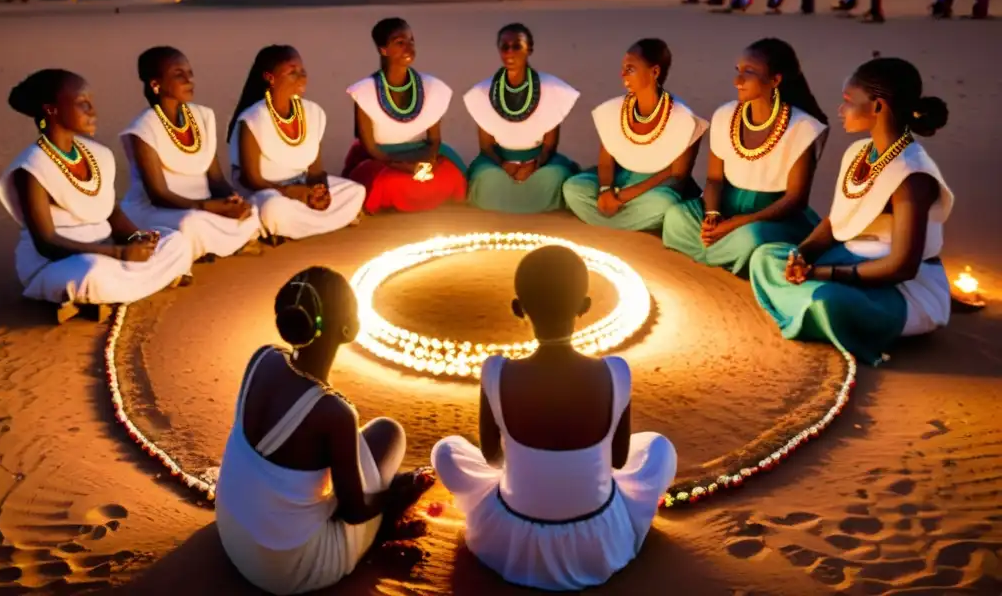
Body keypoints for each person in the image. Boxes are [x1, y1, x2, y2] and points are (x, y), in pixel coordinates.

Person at [432, 246, 677, 591]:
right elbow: (619, 461)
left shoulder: (496, 371)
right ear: (585, 306)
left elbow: (491, 458)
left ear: (519, 309)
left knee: (446, 451)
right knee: (658, 449)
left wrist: (531, 465)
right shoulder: (615, 372)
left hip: (514, 529)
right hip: (597, 536)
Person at [215, 266, 434, 594]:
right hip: (286, 569)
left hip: (234, 533)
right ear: (350, 329)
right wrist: (394, 496)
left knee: (355, 449)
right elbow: (354, 511)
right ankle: (382, 522)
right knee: (389, 434)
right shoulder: (333, 413)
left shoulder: (262, 358)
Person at [750, 57, 952, 366]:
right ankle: (809, 308)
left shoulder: (913, 176)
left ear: (877, 107)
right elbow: (836, 221)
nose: (840, 110)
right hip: (847, 260)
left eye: (848, 101)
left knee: (828, 302)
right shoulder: (858, 153)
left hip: (899, 288)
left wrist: (821, 274)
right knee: (765, 258)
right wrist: (802, 256)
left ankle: (816, 310)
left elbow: (902, 267)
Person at [0, 69, 193, 322]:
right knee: (93, 273)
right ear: (51, 110)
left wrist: (137, 238)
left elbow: (111, 212)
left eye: (91, 102)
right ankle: (123, 285)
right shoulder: (31, 168)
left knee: (177, 242)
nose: (93, 111)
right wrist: (120, 254)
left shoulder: (98, 154)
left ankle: (117, 289)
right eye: (82, 103)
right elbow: (47, 244)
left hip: (108, 250)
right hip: (59, 263)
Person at [662, 38, 829, 276]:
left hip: (771, 219)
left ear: (775, 80)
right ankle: (721, 251)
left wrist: (736, 224)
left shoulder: (803, 128)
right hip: (723, 210)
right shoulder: (724, 115)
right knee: (676, 217)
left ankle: (721, 252)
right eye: (738, 71)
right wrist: (712, 214)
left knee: (751, 238)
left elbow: (795, 200)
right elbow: (714, 179)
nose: (737, 81)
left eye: (748, 73)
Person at [120, 46, 261, 262]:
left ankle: (208, 247)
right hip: (158, 209)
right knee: (190, 225)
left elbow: (215, 178)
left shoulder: (202, 116)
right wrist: (209, 207)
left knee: (252, 213)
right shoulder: (143, 128)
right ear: (155, 84)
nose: (189, 80)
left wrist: (233, 199)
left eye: (190, 73)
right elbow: (158, 195)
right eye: (179, 74)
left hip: (203, 207)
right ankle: (205, 248)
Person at [563, 39, 707, 232]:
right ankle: (629, 221)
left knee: (663, 205)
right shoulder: (614, 110)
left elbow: (677, 173)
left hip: (654, 189)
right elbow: (606, 161)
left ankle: (611, 219)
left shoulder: (685, 119)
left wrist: (623, 197)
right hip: (619, 181)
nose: (622, 74)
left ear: (654, 72)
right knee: (573, 188)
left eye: (630, 69)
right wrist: (606, 190)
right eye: (623, 68)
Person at [227, 45, 365, 245]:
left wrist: (320, 191)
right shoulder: (253, 119)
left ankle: (295, 226)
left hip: (302, 186)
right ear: (270, 78)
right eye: (292, 73)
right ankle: (317, 221)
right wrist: (293, 193)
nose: (301, 78)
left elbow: (316, 170)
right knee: (273, 209)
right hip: (266, 191)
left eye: (302, 71)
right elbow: (251, 179)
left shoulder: (313, 112)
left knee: (355, 192)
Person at [342, 18, 467, 214]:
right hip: (384, 159)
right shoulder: (365, 91)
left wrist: (428, 162)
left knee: (449, 176)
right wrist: (402, 166)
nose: (408, 47)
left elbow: (434, 140)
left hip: (422, 154)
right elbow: (371, 148)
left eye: (411, 41)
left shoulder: (431, 87)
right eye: (400, 43)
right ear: (383, 50)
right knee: (386, 182)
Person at [463, 24, 579, 213]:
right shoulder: (482, 92)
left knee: (555, 178)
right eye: (504, 46)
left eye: (516, 46)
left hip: (540, 161)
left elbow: (550, 145)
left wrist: (534, 166)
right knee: (486, 180)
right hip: (499, 162)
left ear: (529, 48)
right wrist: (503, 165)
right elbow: (485, 146)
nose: (509, 52)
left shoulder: (552, 89)